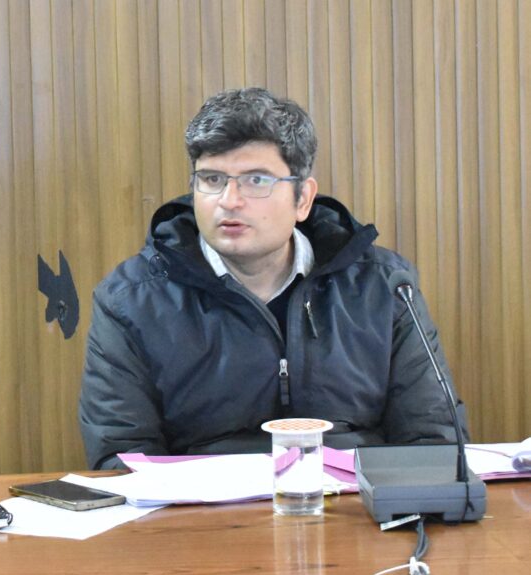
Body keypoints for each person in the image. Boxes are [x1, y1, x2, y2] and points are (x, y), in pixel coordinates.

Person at [79, 87, 464, 470]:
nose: (229, 200)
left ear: (302, 199)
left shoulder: (384, 286)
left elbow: (434, 439)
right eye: (212, 179)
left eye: (256, 181)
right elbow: (124, 459)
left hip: (358, 500)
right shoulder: (131, 300)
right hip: (201, 504)